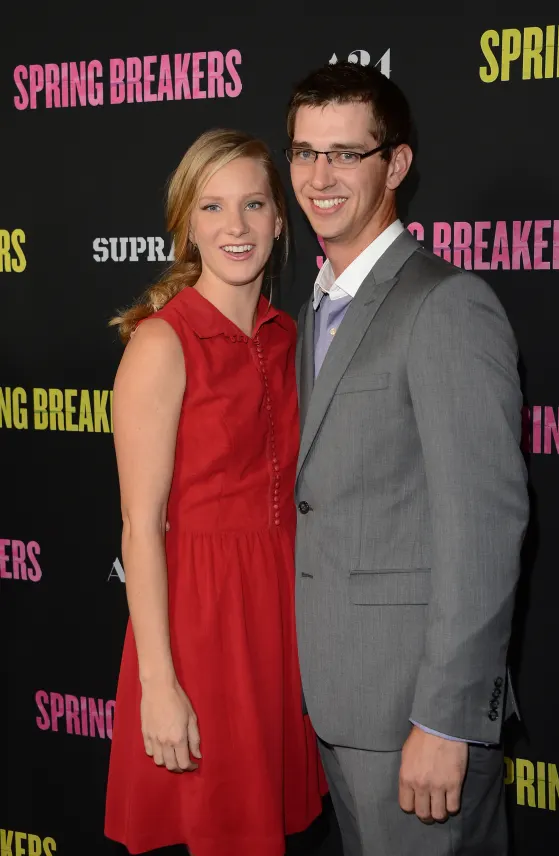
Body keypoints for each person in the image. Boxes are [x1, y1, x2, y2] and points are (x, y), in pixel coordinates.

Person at [286, 60, 529, 856]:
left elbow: (483, 529)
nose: (320, 177)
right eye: (304, 152)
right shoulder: (315, 307)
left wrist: (445, 717)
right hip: (339, 706)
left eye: (346, 153)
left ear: (395, 165)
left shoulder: (445, 305)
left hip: (413, 719)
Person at [104, 129, 325, 856]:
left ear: (279, 220)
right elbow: (139, 530)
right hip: (199, 627)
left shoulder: (293, 337)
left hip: (281, 617)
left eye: (254, 204)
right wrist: (158, 686)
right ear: (187, 226)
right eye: (213, 207)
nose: (236, 227)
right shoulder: (161, 345)